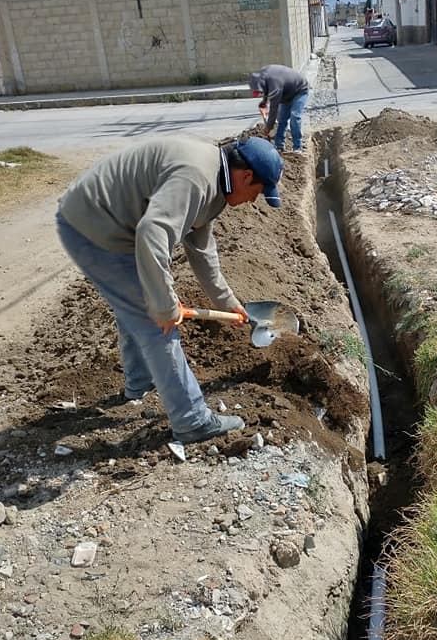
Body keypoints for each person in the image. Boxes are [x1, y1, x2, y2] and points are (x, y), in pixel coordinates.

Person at [56, 135, 283, 443]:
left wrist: (227, 301)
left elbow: (201, 248)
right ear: (245, 176)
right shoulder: (197, 177)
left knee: (136, 307)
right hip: (94, 226)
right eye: (257, 191)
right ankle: (191, 420)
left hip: (115, 224)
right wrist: (164, 305)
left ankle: (141, 384)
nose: (254, 200)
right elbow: (152, 232)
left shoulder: (217, 181)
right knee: (155, 322)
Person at [248, 64, 309, 154]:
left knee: (295, 116)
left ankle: (297, 147)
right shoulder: (262, 76)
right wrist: (264, 103)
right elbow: (265, 89)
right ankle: (279, 146)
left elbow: (273, 110)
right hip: (285, 92)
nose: (260, 93)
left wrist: (268, 128)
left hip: (299, 90)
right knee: (282, 119)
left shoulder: (274, 84)